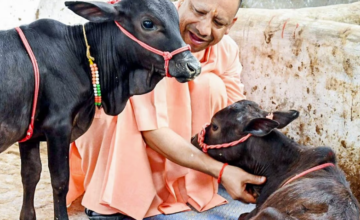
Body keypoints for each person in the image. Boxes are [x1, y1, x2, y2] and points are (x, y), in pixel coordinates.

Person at [66, 0, 266, 219]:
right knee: (117, 109)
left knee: (212, 86)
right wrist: (221, 171)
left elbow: (237, 114)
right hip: (126, 137)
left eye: (218, 22)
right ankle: (115, 198)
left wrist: (266, 134)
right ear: (180, 3)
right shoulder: (145, 33)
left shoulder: (225, 50)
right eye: (199, 12)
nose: (203, 29)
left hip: (179, 156)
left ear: (231, 25)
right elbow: (153, 131)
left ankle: (185, 187)